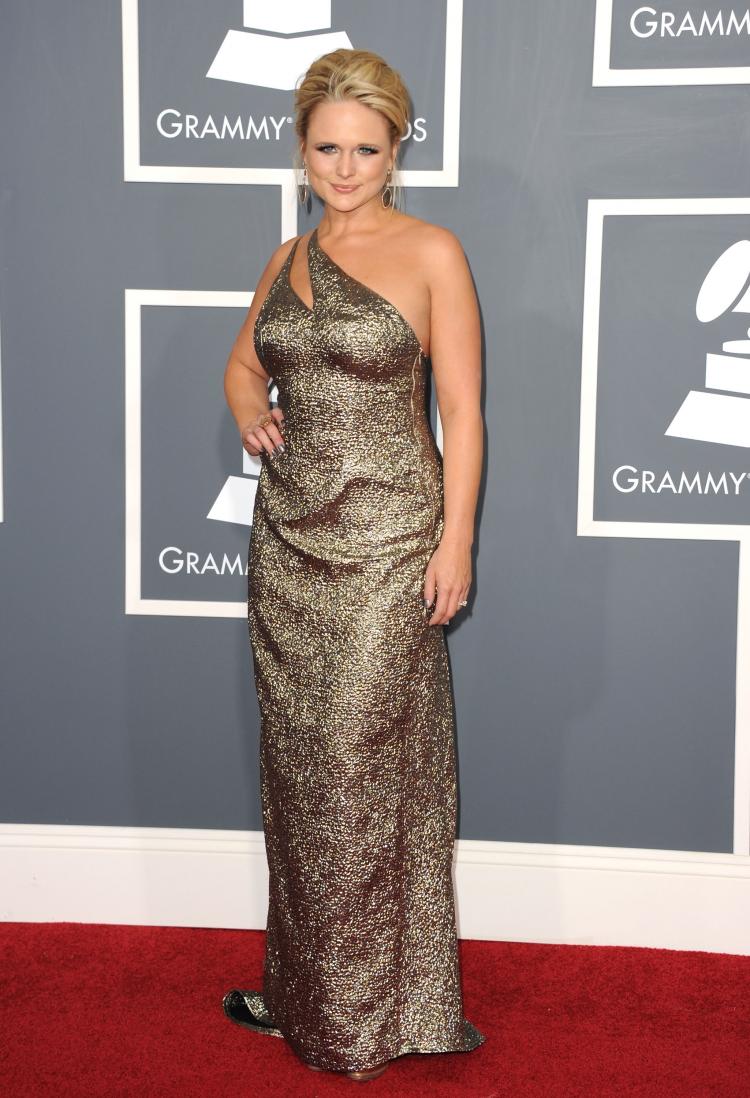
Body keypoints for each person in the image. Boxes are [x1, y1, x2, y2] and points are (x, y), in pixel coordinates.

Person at [221, 47, 484, 1083]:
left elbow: (461, 410)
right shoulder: (285, 261)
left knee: (358, 776)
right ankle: (302, 989)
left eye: (364, 149)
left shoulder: (432, 252)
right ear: (301, 148)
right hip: (287, 543)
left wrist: (456, 538)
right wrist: (249, 405)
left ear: (396, 147)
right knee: (299, 776)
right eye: (326, 147)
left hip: (388, 545)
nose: (343, 168)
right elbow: (247, 362)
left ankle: (368, 1013)